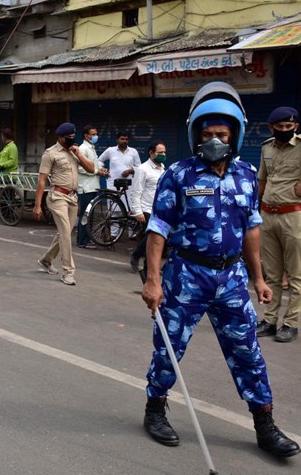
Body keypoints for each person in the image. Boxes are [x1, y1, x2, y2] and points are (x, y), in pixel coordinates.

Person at [141, 82, 299, 458]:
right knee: (169, 348)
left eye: (222, 135)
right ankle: (155, 409)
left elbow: (252, 229)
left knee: (248, 352)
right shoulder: (179, 174)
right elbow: (158, 229)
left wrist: (258, 278)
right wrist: (153, 280)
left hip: (231, 279)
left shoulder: (245, 174)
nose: (215, 140)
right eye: (208, 134)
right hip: (187, 277)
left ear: (235, 136)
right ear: (197, 135)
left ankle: (264, 423)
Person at [255, 106, 301, 343]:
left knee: (296, 275)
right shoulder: (266, 147)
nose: (285, 130)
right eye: (280, 126)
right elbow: (262, 181)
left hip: (293, 215)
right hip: (267, 215)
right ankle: (270, 320)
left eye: (289, 126)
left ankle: (291, 323)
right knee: (271, 274)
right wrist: (254, 210)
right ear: (271, 127)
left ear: (296, 126)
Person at [33, 123, 96, 286]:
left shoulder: (75, 151)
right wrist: (37, 205)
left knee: (64, 232)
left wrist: (79, 154)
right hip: (57, 197)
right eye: (68, 137)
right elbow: (41, 181)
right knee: (66, 233)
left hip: (73, 197)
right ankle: (68, 271)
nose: (72, 139)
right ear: (60, 137)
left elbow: (91, 169)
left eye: (73, 136)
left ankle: (46, 260)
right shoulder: (50, 154)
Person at [128, 141, 166, 273]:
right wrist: (138, 211)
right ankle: (137, 257)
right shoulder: (143, 169)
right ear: (151, 153)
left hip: (159, 209)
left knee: (159, 237)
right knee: (152, 236)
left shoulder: (162, 168)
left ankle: (146, 263)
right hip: (146, 208)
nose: (163, 155)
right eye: (160, 152)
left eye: (164, 152)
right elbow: (136, 191)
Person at [76, 125, 108, 249]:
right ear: (86, 135)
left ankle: (85, 239)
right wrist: (96, 172)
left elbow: (94, 165)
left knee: (89, 215)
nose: (95, 136)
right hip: (85, 187)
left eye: (96, 134)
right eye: (93, 134)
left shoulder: (91, 148)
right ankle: (83, 241)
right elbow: (80, 168)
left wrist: (101, 170)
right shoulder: (82, 149)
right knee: (85, 215)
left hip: (93, 186)